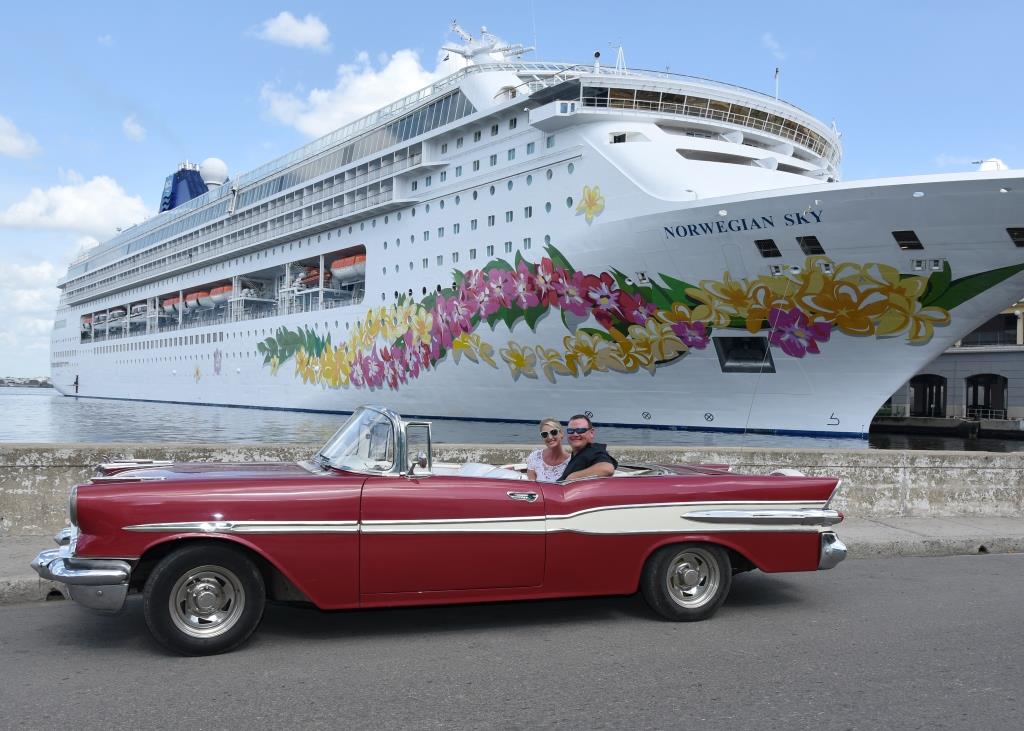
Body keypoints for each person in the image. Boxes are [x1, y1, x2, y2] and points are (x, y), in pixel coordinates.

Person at [559, 414, 617, 481]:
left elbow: (607, 469)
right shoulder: (577, 454)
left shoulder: (593, 450)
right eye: (570, 431)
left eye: (580, 430)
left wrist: (572, 477)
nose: (575, 434)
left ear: (591, 433)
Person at [526, 418, 572, 482]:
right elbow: (531, 487)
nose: (550, 437)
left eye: (554, 432)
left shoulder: (571, 462)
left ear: (561, 433)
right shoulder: (535, 458)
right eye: (545, 434)